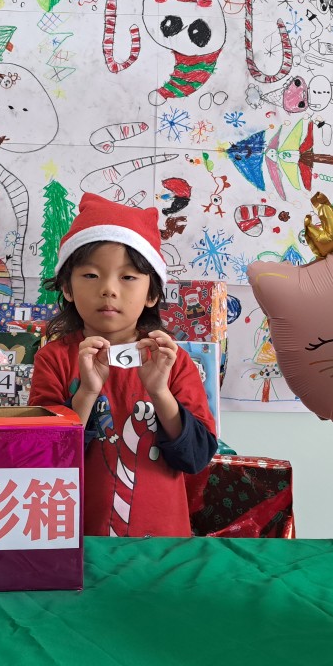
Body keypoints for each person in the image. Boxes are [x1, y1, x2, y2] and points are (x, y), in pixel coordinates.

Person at [29, 193, 217, 538]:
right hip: (74, 538)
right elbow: (43, 459)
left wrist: (159, 393)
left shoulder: (173, 362)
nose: (108, 290)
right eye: (90, 275)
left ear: (152, 294)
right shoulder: (53, 359)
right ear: (67, 287)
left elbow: (196, 457)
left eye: (128, 277)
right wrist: (87, 392)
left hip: (162, 545)